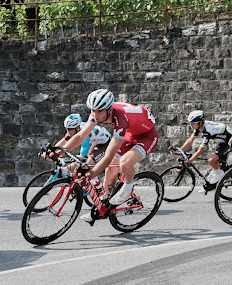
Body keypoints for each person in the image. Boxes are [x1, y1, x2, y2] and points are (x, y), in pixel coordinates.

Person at [59, 89, 159, 223]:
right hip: (129, 134)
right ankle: (103, 205)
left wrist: (91, 174)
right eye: (92, 110)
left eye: (99, 111)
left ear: (109, 110)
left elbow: (107, 156)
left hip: (146, 136)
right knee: (111, 169)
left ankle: (127, 188)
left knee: (124, 162)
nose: (95, 115)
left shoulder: (121, 119)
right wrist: (58, 151)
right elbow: (79, 136)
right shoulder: (98, 113)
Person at [176, 110, 232, 185]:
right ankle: (211, 185)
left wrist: (189, 161)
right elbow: (190, 140)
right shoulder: (200, 127)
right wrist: (180, 150)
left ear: (200, 122)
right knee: (215, 163)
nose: (190, 125)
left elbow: (200, 151)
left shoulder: (208, 130)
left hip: (230, 141)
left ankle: (220, 175)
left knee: (211, 160)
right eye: (190, 123)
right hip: (222, 142)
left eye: (193, 123)